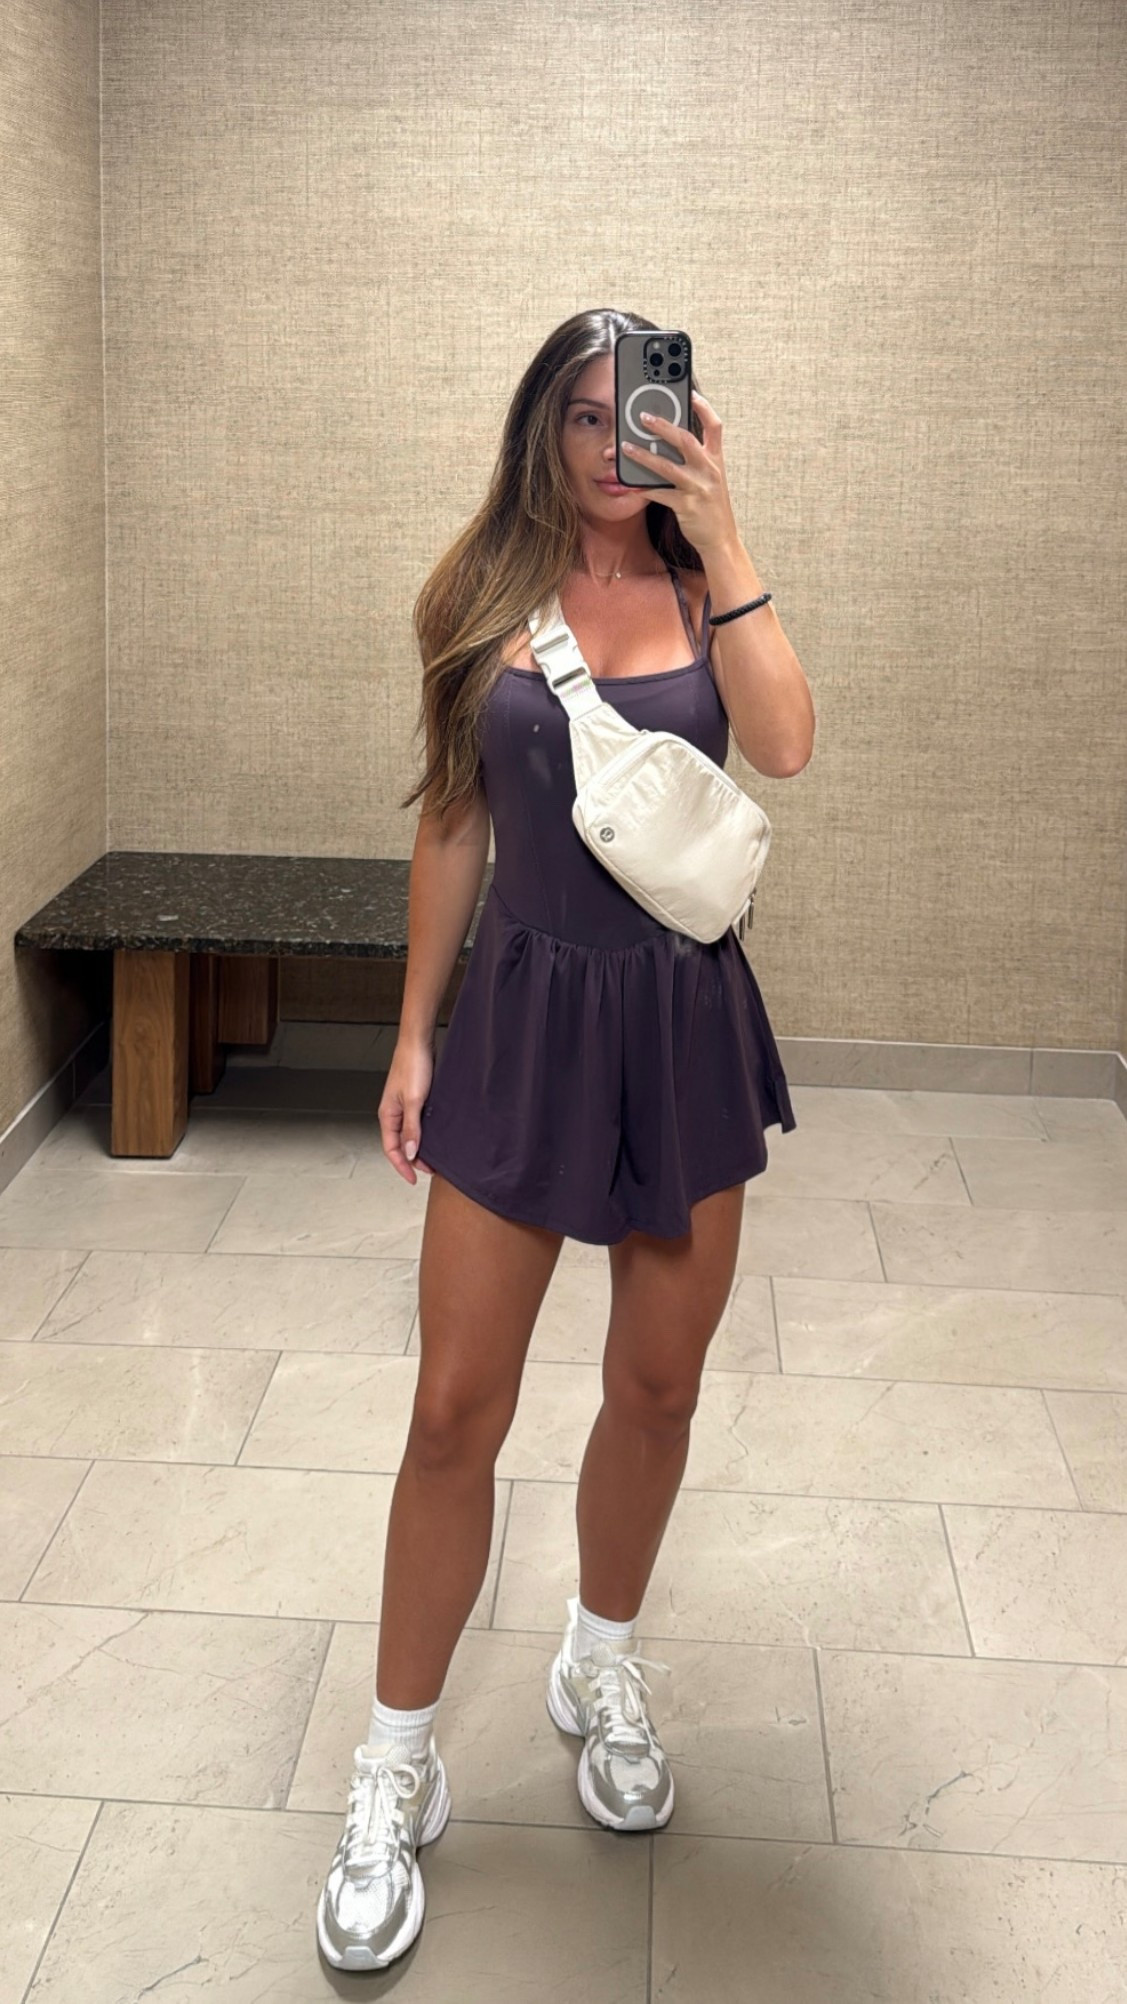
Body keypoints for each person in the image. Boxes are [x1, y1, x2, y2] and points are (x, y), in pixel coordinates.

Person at [316, 307, 814, 1973]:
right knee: (451, 1409)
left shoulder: (705, 584)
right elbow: (453, 823)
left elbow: (788, 742)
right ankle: (395, 1762)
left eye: (643, 415)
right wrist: (413, 1033)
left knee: (657, 1388)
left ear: (687, 425)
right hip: (523, 1025)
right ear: (542, 426)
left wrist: (726, 535)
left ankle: (599, 1659)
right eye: (586, 416)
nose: (616, 446)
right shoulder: (479, 597)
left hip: (678, 1027)